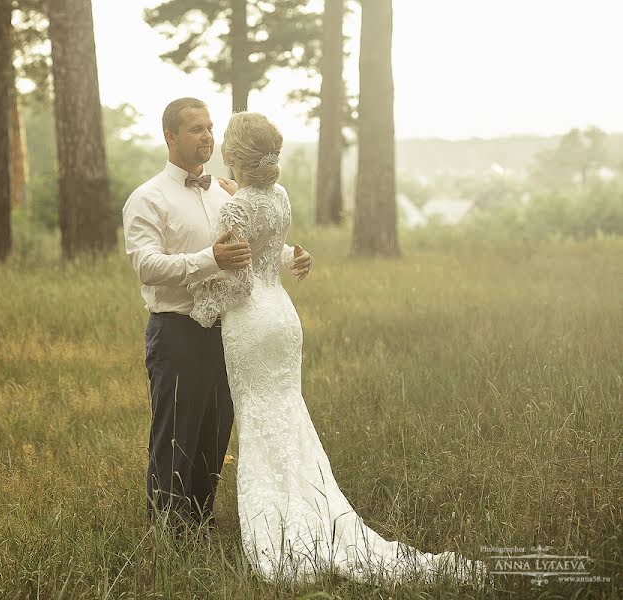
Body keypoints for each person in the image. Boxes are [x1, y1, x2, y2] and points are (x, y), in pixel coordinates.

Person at [186, 110, 483, 583]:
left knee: (261, 422)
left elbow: (237, 284)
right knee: (286, 414)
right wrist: (291, 255)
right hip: (282, 317)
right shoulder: (276, 196)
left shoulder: (235, 208)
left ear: (231, 154)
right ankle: (314, 509)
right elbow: (269, 252)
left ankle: (282, 534)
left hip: (251, 322)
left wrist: (198, 306)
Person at [121, 98, 313, 530]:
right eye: (195, 129)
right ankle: (167, 531)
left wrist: (288, 256)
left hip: (232, 330)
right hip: (177, 331)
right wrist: (211, 259)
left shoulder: (226, 190)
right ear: (170, 136)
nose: (207, 136)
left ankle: (202, 523)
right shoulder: (148, 198)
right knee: (176, 433)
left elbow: (250, 247)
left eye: (209, 128)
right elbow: (147, 266)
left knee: (215, 431)